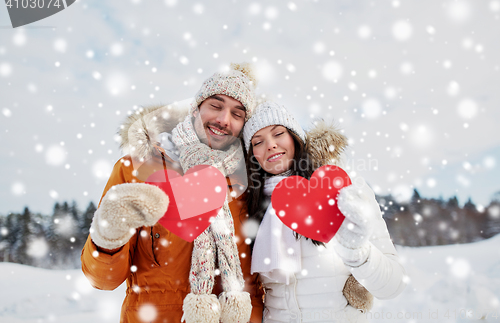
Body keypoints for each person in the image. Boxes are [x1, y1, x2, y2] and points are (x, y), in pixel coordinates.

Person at [81, 63, 265, 323]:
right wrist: (107, 239)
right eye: (216, 105)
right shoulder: (137, 168)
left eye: (237, 113)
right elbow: (103, 280)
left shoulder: (252, 182)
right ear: (196, 107)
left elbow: (270, 284)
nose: (224, 119)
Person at [242, 101, 406, 322]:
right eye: (257, 142)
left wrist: (357, 251)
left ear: (294, 137)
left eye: (278, 133)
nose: (270, 145)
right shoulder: (251, 205)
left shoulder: (343, 189)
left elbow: (392, 286)